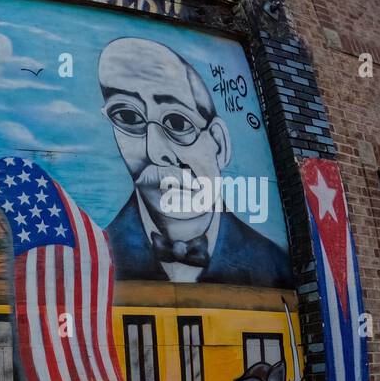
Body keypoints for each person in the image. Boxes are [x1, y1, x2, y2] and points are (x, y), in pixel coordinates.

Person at [97, 37, 291, 287]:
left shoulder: (274, 263)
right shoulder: (90, 259)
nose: (156, 153)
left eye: (178, 123)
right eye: (127, 116)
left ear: (219, 144)